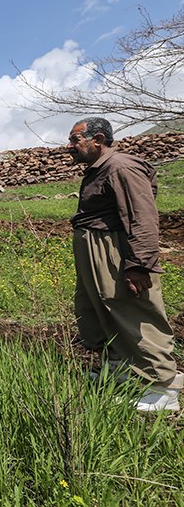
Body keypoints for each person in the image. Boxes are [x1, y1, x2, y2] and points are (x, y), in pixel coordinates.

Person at [67, 117, 182, 411]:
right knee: (101, 308)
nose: (69, 147)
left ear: (99, 139)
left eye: (76, 140)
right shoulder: (100, 169)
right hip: (97, 250)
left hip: (115, 250)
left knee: (131, 310)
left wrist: (139, 264)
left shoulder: (122, 167)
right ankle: (123, 371)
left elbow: (143, 217)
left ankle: (161, 388)